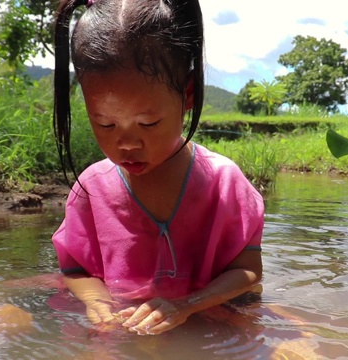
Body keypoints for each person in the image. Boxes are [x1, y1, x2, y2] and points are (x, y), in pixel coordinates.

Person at [51, 0, 265, 335]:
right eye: (105, 124)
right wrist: (97, 302)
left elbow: (249, 271)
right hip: (123, 330)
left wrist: (188, 305)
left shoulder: (224, 182)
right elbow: (76, 272)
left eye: (148, 123)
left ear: (188, 94)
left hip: (210, 325)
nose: (127, 144)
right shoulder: (91, 189)